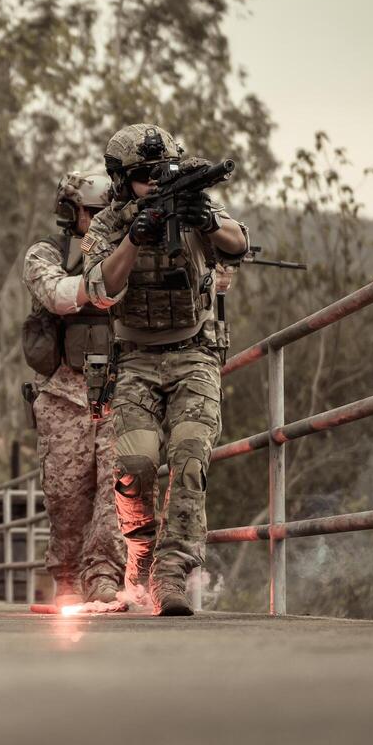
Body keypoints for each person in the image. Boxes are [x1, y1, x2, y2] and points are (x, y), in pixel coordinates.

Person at [81, 124, 249, 615]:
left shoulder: (195, 207)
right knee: (134, 464)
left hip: (194, 352)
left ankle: (173, 573)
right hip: (134, 357)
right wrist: (134, 239)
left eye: (162, 174)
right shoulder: (109, 225)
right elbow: (99, 288)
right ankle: (142, 553)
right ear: (120, 181)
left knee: (190, 455)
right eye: (142, 177)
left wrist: (205, 222)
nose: (155, 184)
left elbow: (238, 243)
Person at [20, 171, 126, 608]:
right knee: (65, 494)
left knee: (116, 488)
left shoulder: (130, 252)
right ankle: (66, 575)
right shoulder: (48, 253)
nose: (101, 220)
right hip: (66, 391)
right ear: (71, 212)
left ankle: (104, 574)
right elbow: (58, 294)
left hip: (121, 388)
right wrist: (103, 275)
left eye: (108, 213)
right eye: (93, 213)